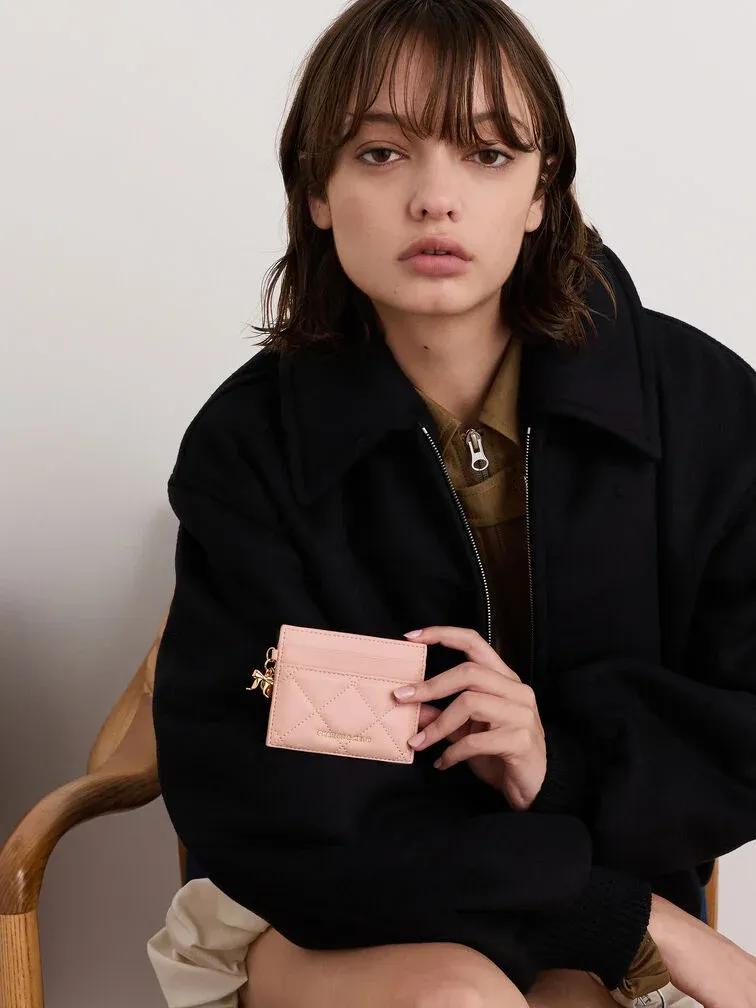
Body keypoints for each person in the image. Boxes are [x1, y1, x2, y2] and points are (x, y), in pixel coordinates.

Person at [148, 0, 756, 1006]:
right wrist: (622, 915)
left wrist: (558, 760)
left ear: (541, 189)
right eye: (382, 154)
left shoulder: (701, 409)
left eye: (487, 153)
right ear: (318, 188)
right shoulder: (249, 446)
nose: (435, 200)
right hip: (326, 909)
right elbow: (272, 799)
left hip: (597, 879)